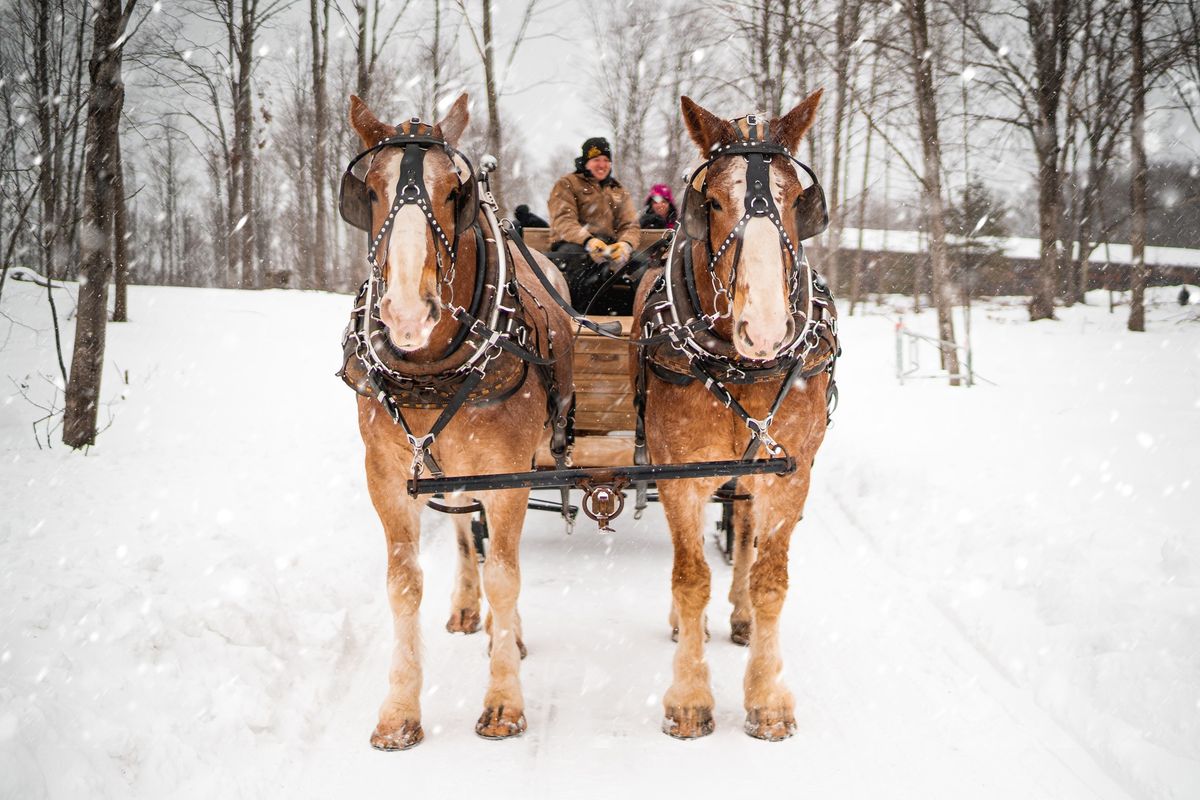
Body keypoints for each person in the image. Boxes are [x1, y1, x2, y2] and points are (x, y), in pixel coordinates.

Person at [547, 137, 641, 312]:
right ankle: (580, 318)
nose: (602, 164)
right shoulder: (567, 184)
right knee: (586, 267)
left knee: (643, 266)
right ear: (585, 161)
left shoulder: (617, 190)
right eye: (596, 159)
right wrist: (588, 241)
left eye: (606, 160)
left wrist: (625, 244)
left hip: (609, 247)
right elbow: (563, 220)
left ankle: (639, 320)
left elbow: (630, 225)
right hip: (573, 245)